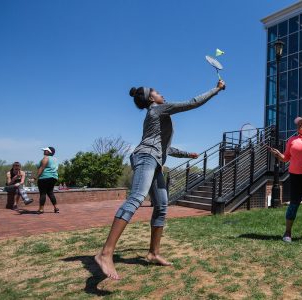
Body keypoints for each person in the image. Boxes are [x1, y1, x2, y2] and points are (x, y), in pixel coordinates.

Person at [95, 79, 226, 280]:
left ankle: (153, 253)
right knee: (136, 198)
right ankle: (105, 253)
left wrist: (186, 154)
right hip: (146, 157)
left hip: (154, 159)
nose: (162, 94)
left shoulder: (156, 115)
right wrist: (216, 90)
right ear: (151, 98)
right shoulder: (157, 109)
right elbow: (192, 102)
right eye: (157, 92)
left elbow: (165, 149)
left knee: (162, 205)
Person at [36, 147, 59, 214]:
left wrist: (35, 177)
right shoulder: (55, 159)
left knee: (43, 193)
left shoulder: (46, 158)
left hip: (44, 177)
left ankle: (41, 209)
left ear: (49, 152)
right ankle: (56, 208)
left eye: (46, 150)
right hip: (54, 177)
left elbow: (42, 168)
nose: (44, 151)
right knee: (50, 192)